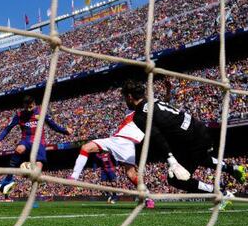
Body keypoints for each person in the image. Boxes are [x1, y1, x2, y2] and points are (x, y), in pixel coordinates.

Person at [120, 79, 246, 208]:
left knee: (175, 178)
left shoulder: (139, 115)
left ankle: (221, 194)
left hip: (190, 139)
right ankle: (233, 169)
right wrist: (168, 92)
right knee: (201, 158)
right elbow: (163, 111)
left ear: (129, 97)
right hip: (199, 129)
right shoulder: (153, 101)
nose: (125, 102)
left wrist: (171, 161)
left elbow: (156, 136)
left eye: (125, 98)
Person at [68, 111, 155, 207]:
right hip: (114, 139)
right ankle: (74, 177)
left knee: (131, 174)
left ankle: (147, 198)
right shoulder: (130, 111)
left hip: (127, 144)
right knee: (85, 148)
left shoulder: (146, 112)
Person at [0, 95, 73, 190]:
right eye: (26, 107)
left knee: (38, 167)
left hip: (39, 141)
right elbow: (8, 128)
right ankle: (9, 178)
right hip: (26, 139)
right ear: (23, 105)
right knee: (19, 149)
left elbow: (53, 125)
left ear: (34, 104)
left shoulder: (41, 112)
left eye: (30, 107)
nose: (28, 109)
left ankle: (33, 191)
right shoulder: (19, 115)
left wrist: (65, 131)